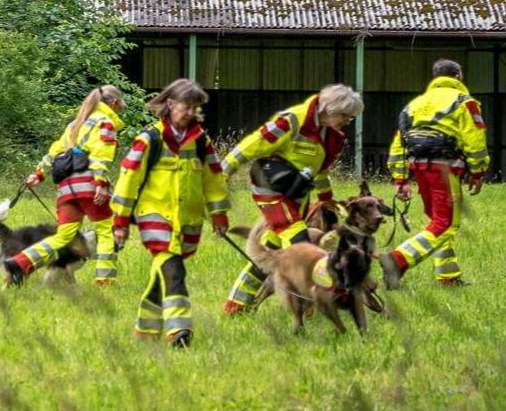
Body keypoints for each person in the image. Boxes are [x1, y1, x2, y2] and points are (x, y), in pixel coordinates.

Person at [219, 83, 364, 314]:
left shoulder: (332, 137)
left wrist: (326, 199)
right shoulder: (292, 121)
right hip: (269, 188)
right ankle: (312, 301)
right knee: (300, 241)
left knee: (269, 251)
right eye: (345, 116)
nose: (348, 121)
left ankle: (236, 304)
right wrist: (222, 173)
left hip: (298, 194)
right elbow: (251, 146)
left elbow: (321, 172)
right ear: (330, 108)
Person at [110, 79, 229, 347]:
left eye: (195, 108)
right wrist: (120, 221)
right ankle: (179, 330)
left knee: (164, 272)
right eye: (187, 106)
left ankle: (145, 329)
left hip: (188, 219)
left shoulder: (201, 141)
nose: (191, 113)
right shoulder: (148, 139)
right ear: (170, 104)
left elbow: (214, 178)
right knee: (174, 271)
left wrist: (219, 214)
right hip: (154, 216)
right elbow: (128, 179)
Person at [3, 85, 126, 288]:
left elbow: (55, 151)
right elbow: (100, 154)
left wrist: (38, 174)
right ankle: (106, 281)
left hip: (66, 189)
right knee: (106, 231)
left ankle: (18, 263)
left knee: (63, 237)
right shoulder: (105, 123)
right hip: (88, 186)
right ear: (114, 103)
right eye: (121, 106)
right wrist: (100, 183)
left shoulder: (74, 125)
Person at [381, 59, 490, 289]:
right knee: (446, 223)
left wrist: (400, 179)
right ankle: (398, 259)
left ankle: (448, 277)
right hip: (444, 166)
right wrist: (478, 171)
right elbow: (475, 138)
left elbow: (399, 143)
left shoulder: (415, 105)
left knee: (438, 221)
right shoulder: (464, 101)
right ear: (458, 77)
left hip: (419, 167)